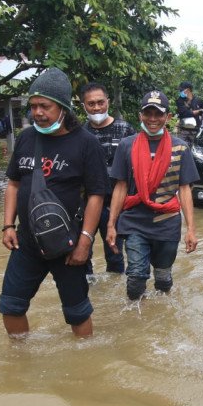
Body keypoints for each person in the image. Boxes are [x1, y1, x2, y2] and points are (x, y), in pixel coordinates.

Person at [0, 67, 109, 338]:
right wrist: (8, 225)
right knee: (10, 306)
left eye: (44, 106)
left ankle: (84, 367)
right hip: (26, 243)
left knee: (77, 312)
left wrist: (85, 241)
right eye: (33, 106)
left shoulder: (86, 144)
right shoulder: (26, 138)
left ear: (62, 108)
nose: (37, 112)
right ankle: (20, 366)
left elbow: (96, 195)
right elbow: (13, 183)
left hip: (68, 245)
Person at [106, 90, 199, 300]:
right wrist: (111, 224)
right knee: (136, 277)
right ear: (140, 115)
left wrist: (191, 229)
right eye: (148, 113)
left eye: (159, 114)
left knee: (163, 278)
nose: (153, 119)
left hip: (166, 222)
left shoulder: (180, 148)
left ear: (168, 117)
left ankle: (160, 314)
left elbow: (184, 190)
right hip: (134, 221)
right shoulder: (126, 146)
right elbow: (120, 187)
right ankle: (136, 321)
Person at [81, 82, 137, 274]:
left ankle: (114, 294)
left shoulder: (125, 130)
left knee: (114, 252)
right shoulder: (79, 133)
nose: (96, 108)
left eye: (100, 102)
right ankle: (87, 290)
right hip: (86, 204)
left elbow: (136, 168)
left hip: (115, 205)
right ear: (84, 106)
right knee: (82, 251)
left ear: (108, 102)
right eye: (91, 104)